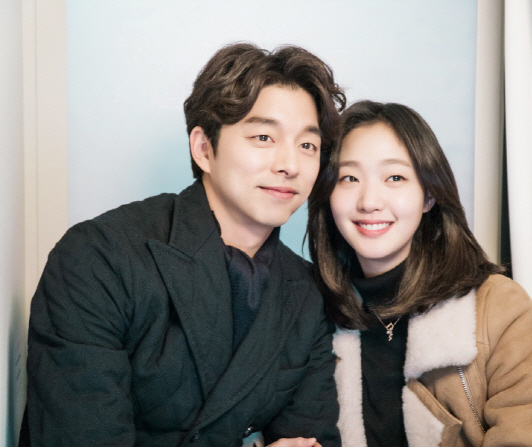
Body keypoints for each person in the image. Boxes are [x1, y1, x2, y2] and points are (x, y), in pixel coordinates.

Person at [23, 43, 345, 447]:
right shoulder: (98, 257)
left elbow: (314, 438)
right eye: (264, 136)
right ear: (204, 149)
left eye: (307, 145)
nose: (290, 165)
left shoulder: (307, 292)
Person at [307, 101, 532, 446]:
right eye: (349, 178)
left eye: (395, 178)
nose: (369, 201)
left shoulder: (499, 308)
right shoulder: (308, 309)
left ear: (429, 195)